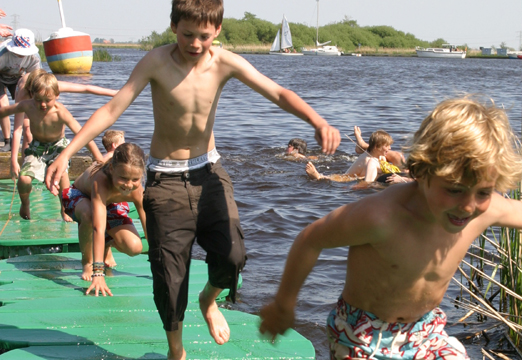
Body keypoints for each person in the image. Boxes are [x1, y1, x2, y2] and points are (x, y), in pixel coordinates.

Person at [44, 1, 340, 358]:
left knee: (233, 256)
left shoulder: (225, 62)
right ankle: (176, 351)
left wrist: (317, 121)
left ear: (217, 30)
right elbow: (111, 109)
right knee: (168, 276)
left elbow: (276, 92)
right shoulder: (156, 62)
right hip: (164, 179)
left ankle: (209, 300)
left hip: (209, 172)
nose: (196, 43)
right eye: (187, 34)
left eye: (204, 35)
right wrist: (65, 154)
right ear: (173, 27)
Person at [259, 97, 522, 359]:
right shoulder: (381, 217)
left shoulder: (484, 211)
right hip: (363, 332)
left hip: (426, 328)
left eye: (483, 192)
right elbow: (310, 240)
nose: (469, 206)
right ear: (421, 172)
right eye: (454, 191)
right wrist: (284, 304)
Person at [0, 72, 103, 221]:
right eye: (38, 100)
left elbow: (82, 133)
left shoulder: (60, 112)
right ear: (32, 95)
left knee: (62, 175)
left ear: (57, 95)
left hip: (58, 147)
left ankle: (65, 209)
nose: (42, 104)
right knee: (24, 180)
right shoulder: (27, 106)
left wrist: (98, 157)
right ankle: (25, 204)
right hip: (36, 147)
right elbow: (5, 111)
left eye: (47, 100)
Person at [62, 143, 146, 284]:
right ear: (112, 169)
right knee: (90, 215)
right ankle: (87, 262)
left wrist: (159, 263)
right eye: (124, 178)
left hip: (110, 203)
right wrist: (98, 272)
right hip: (80, 196)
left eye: (135, 180)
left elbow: (148, 225)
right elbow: (98, 227)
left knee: (135, 247)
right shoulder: (100, 181)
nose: (129, 185)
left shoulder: (137, 191)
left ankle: (107, 245)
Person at [15, 68, 119, 154]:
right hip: (25, 87)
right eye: (38, 97)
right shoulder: (23, 95)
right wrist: (13, 161)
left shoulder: (51, 86)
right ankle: (25, 162)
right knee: (27, 131)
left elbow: (85, 88)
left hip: (38, 81)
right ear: (32, 93)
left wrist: (115, 93)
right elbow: (17, 130)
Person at [0, 28, 40, 152]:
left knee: (28, 104)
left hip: (19, 79)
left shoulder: (34, 58)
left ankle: (30, 137)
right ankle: (7, 140)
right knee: (2, 105)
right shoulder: (2, 53)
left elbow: (35, 79)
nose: (22, 55)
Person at [306, 130, 394, 183]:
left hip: (362, 174)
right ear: (376, 147)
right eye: (387, 146)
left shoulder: (380, 156)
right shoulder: (368, 161)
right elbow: (369, 181)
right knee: (342, 178)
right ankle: (318, 176)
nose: (390, 148)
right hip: (348, 177)